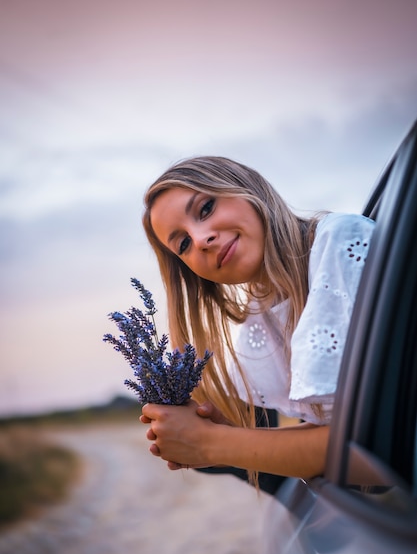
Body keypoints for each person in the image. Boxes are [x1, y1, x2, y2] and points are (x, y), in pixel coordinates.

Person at [139, 156, 375, 480]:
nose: (201, 240)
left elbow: (374, 449)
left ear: (246, 187)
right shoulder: (266, 317)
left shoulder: (340, 241)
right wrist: (211, 437)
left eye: (205, 209)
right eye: (183, 244)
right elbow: (333, 434)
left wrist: (210, 443)